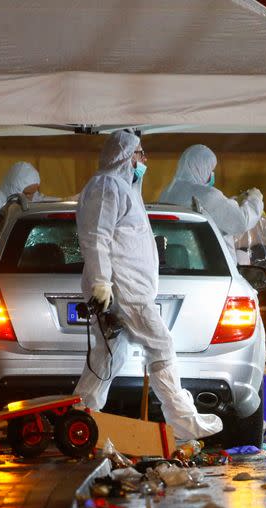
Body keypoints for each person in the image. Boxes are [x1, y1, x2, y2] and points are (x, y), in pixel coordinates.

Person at [73, 130, 223, 441]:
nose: (144, 160)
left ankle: (81, 415)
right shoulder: (106, 186)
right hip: (123, 288)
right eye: (140, 154)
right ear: (125, 157)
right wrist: (102, 281)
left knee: (110, 353)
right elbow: (96, 236)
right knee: (161, 344)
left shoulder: (121, 188)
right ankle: (183, 420)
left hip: (125, 287)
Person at [159, 144, 263, 265]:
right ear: (201, 168)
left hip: (176, 261)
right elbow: (241, 222)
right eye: (210, 170)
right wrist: (255, 200)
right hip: (207, 263)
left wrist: (233, 202)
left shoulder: (168, 191)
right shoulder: (205, 194)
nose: (211, 174)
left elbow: (211, 210)